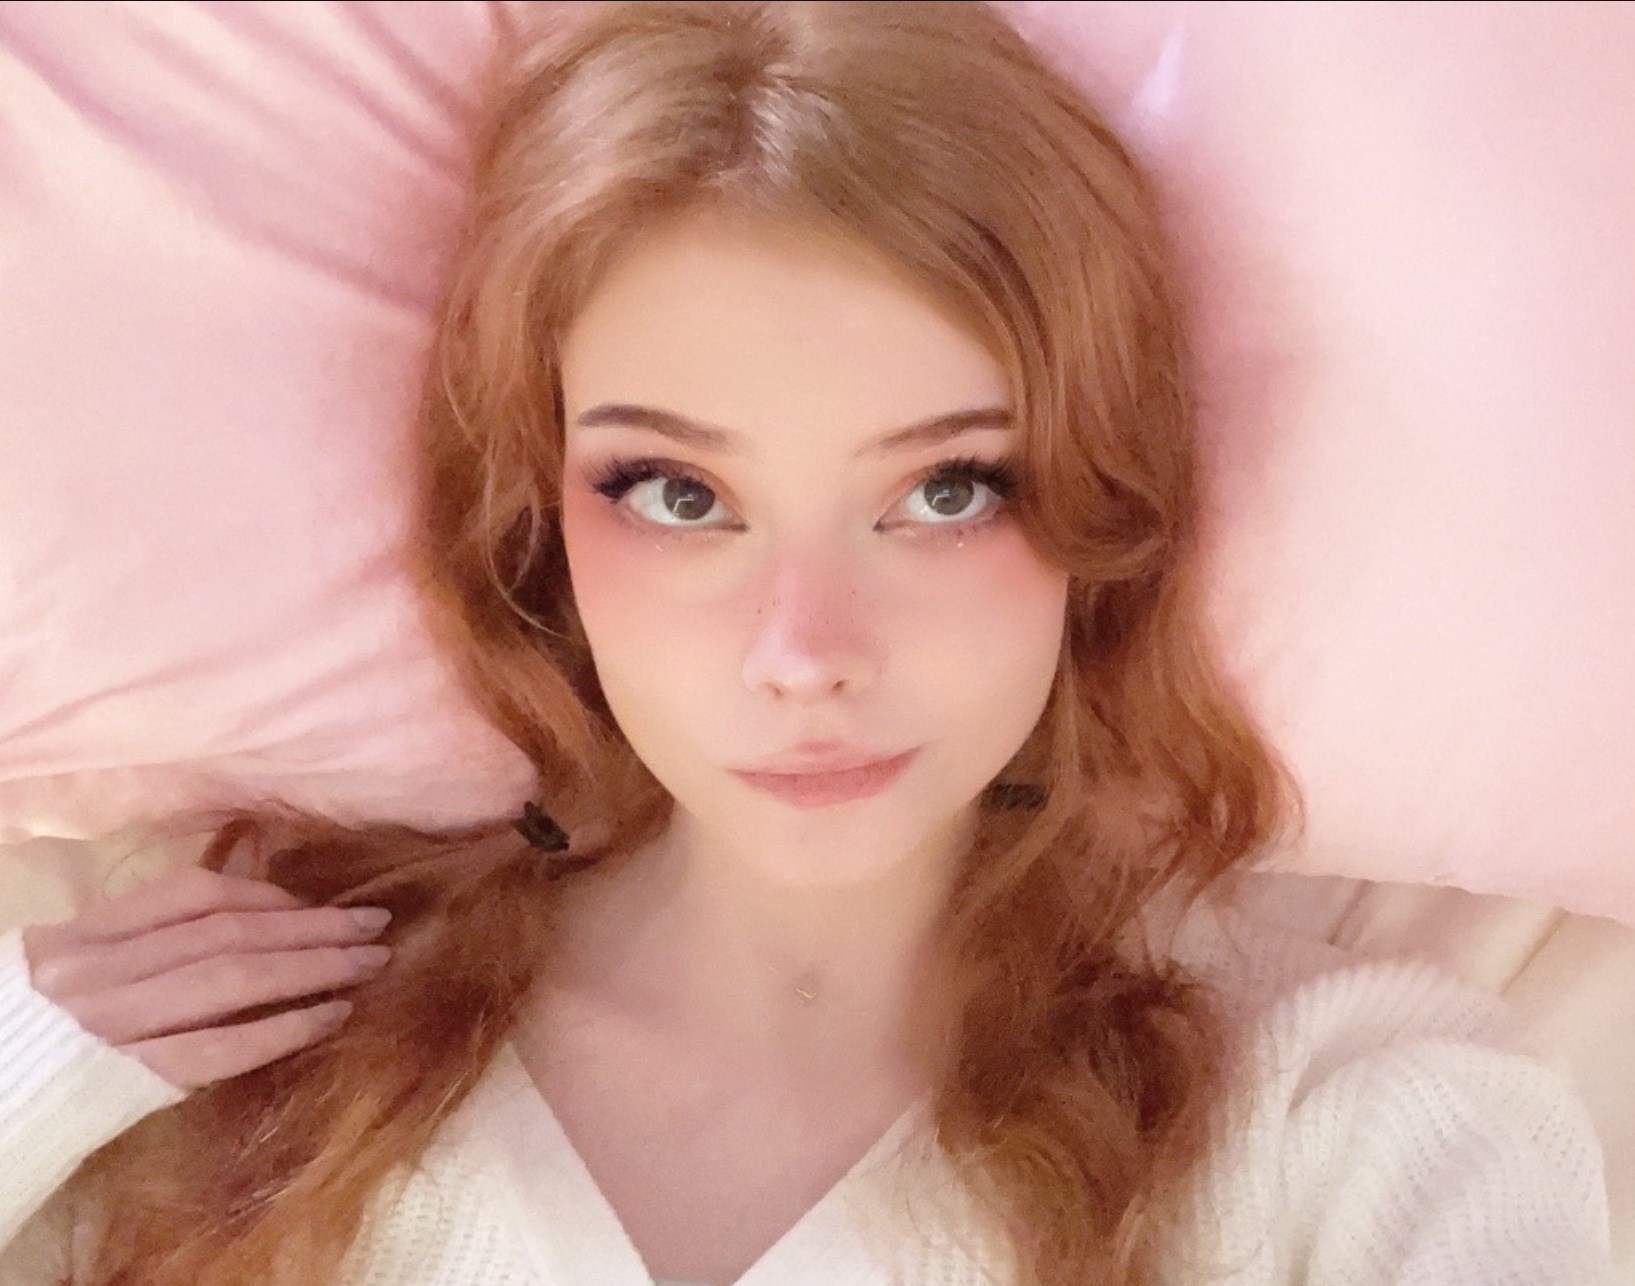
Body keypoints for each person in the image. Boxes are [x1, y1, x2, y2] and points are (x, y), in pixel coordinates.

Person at [0, 3, 1619, 1284]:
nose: (805, 652)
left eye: (947, 490)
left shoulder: (1359, 1123)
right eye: (679, 494)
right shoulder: (210, 1051)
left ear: (1100, 499)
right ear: (540, 514)